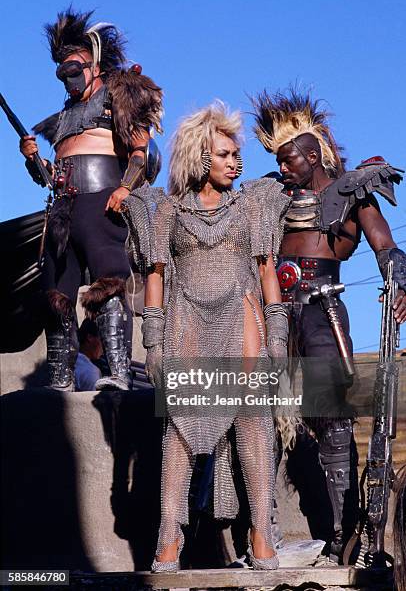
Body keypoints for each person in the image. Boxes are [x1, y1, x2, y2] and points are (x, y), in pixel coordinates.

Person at [123, 101, 291, 571]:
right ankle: (169, 539)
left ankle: (262, 532)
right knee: (179, 429)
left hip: (242, 318)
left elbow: (266, 271)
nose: (235, 162)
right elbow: (155, 274)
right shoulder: (166, 210)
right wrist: (153, 340)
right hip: (187, 320)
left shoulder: (253, 204)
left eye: (237, 154)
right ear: (200, 157)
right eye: (225, 154)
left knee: (253, 423)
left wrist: (277, 333)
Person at [252, 88, 405, 562]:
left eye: (290, 159)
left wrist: (399, 282)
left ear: (313, 153)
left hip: (321, 312)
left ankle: (346, 536)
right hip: (273, 311)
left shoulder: (353, 190)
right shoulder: (268, 196)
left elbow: (387, 248)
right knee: (260, 420)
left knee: (335, 421)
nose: (283, 169)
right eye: (278, 161)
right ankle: (261, 535)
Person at [19, 8, 163, 391]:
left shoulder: (118, 96)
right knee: (56, 291)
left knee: (109, 282)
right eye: (61, 73)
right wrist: (35, 160)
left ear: (93, 63)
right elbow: (48, 178)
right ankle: (60, 376)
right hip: (64, 208)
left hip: (103, 202)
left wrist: (125, 188)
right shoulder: (64, 116)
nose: (67, 78)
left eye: (73, 69)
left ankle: (118, 371)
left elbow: (140, 151)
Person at [74, 318, 103, 391]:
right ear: (90, 337)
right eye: (101, 339)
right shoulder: (91, 372)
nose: (103, 346)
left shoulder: (70, 359)